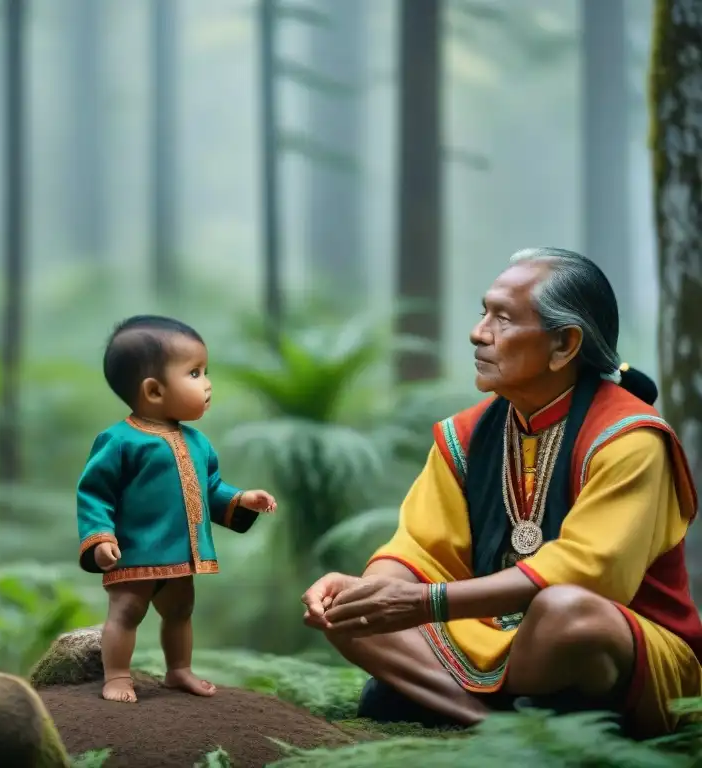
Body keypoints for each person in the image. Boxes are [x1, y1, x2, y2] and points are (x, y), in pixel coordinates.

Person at [301, 247, 702, 739]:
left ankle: (442, 696)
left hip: (610, 641)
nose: (478, 332)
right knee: (348, 608)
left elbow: (590, 576)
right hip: (494, 630)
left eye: (503, 319)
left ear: (564, 345)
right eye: (483, 312)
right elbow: (417, 550)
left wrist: (424, 604)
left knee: (565, 613)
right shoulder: (464, 435)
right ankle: (488, 720)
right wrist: (371, 592)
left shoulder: (631, 438)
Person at [77, 315, 277, 703]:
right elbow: (94, 493)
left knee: (181, 611)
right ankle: (116, 676)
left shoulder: (198, 442)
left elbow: (210, 489)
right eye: (195, 373)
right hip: (135, 552)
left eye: (205, 371)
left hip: (182, 555)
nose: (207, 383)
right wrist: (100, 538)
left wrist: (241, 500)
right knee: (127, 611)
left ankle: (178, 670)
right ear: (153, 391)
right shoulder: (120, 441)